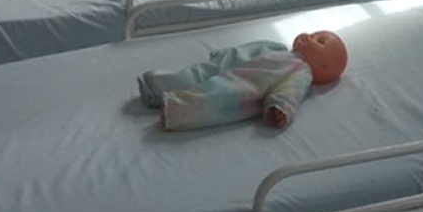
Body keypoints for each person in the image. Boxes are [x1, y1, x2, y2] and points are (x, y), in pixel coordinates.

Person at [137, 31, 348, 131]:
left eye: (319, 41)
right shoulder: (278, 47)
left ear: (323, 66)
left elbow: (289, 92)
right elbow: (248, 48)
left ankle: (176, 109)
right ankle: (155, 87)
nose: (309, 36)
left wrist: (281, 108)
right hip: (228, 65)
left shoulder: (301, 72)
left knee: (210, 99)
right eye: (314, 33)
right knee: (194, 74)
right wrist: (226, 54)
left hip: (244, 86)